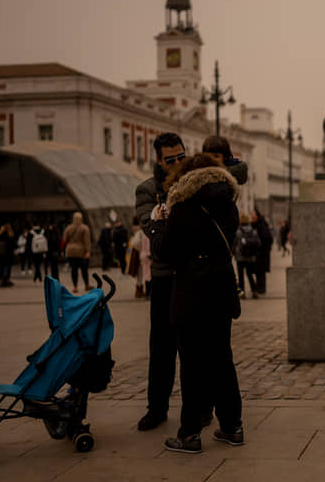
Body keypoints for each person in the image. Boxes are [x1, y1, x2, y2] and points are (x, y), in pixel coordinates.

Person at [150, 153, 243, 454]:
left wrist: (158, 226)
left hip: (193, 291)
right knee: (222, 359)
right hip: (222, 287)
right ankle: (232, 427)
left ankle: (189, 434)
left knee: (192, 364)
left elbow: (167, 251)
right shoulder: (228, 203)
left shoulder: (184, 205)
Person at [135, 132, 187, 431]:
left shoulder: (195, 180)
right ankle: (157, 407)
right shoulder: (148, 190)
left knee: (193, 346)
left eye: (181, 157)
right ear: (158, 159)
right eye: (171, 160)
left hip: (192, 275)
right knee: (162, 346)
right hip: (166, 277)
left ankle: (202, 407)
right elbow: (152, 232)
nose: (178, 163)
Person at [62, 212, 91, 292]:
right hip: (80, 251)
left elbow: (64, 239)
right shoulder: (84, 228)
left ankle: (75, 287)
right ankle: (86, 285)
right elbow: (87, 241)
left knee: (74, 270)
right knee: (84, 269)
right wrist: (88, 251)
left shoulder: (69, 228)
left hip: (70, 251)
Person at [234, 214, 261, 299]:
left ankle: (242, 293)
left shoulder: (238, 231)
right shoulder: (253, 231)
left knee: (241, 275)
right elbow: (259, 243)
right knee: (250, 275)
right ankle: (254, 291)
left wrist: (234, 253)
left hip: (240, 257)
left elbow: (234, 244)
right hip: (250, 257)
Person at [251, 209, 273, 295]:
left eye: (253, 214)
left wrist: (262, 248)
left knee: (261, 271)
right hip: (258, 253)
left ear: (257, 216)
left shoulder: (261, 225)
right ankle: (259, 287)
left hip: (262, 253)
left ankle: (262, 288)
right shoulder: (254, 225)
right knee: (257, 271)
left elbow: (267, 239)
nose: (252, 216)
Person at [129, 217, 145, 298]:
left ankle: (139, 290)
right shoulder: (140, 231)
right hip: (139, 252)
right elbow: (137, 243)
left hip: (135, 252)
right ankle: (139, 290)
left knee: (139, 272)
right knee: (140, 272)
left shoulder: (134, 230)